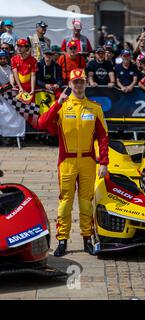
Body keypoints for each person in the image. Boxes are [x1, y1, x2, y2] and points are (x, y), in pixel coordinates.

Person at [37, 69, 109, 257]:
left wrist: (104, 162)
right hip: (66, 161)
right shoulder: (62, 106)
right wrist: (57, 104)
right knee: (65, 204)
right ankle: (62, 241)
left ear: (86, 84)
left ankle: (87, 239)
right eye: (75, 82)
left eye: (81, 82)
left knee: (86, 203)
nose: (78, 85)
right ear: (69, 84)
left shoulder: (95, 108)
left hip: (87, 161)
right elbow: (42, 123)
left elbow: (103, 137)